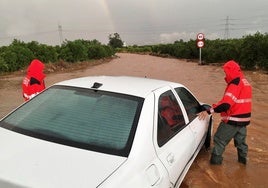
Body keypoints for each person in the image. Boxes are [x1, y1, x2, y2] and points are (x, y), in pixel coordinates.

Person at [199, 60, 252, 165]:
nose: (225, 74)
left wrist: (209, 111)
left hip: (233, 119)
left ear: (230, 71)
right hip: (244, 120)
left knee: (219, 140)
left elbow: (226, 105)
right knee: (241, 144)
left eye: (226, 72)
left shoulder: (235, 84)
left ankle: (214, 168)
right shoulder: (245, 81)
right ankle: (243, 164)